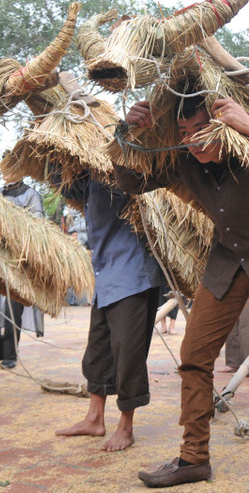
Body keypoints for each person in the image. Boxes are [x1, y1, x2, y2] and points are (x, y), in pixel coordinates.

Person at [116, 95, 249, 493]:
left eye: (201, 129)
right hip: (229, 260)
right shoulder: (184, 158)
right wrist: (127, 133)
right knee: (193, 355)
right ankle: (193, 458)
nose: (193, 140)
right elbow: (130, 183)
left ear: (224, 122)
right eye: (184, 132)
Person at [52, 169, 164, 452]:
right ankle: (94, 418)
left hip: (132, 271)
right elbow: (68, 187)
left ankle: (126, 427)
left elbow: (141, 186)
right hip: (105, 272)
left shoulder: (121, 166)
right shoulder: (87, 175)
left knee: (128, 353)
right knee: (98, 348)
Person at [0, 181, 45, 370]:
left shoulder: (31, 195)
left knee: (11, 309)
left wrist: (13, 228)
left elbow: (37, 225)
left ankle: (10, 354)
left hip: (18, 260)